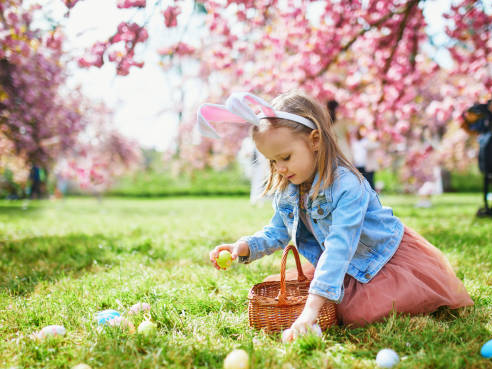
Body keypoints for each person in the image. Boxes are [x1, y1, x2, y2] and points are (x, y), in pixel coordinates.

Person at [201, 90, 474, 340]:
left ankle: (407, 294)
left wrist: (310, 312)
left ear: (315, 141)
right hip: (338, 263)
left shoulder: (346, 186)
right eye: (273, 161)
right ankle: (330, 294)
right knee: (315, 299)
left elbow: (340, 246)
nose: (280, 168)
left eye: (285, 157)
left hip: (378, 259)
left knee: (357, 313)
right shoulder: (290, 188)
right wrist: (245, 246)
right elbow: (277, 231)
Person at [350, 126, 379, 190]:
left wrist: (370, 137)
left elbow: (375, 146)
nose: (363, 132)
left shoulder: (368, 141)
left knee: (370, 183)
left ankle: (372, 198)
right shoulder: (355, 143)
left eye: (365, 130)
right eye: (361, 130)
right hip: (357, 166)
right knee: (359, 183)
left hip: (368, 167)